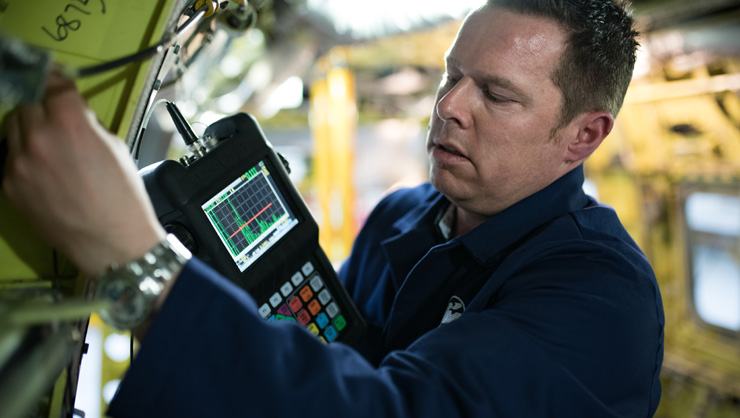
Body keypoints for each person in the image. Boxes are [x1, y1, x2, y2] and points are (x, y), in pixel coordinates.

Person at [3, 0, 664, 416]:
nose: (449, 106)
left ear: (583, 135)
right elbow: (333, 355)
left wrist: (136, 263)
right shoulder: (399, 218)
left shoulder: (601, 299)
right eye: (451, 74)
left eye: (496, 94)